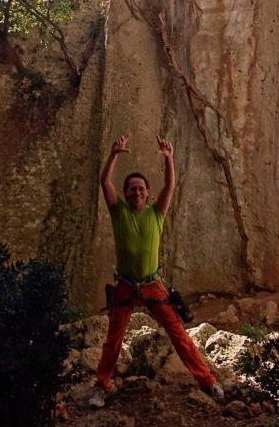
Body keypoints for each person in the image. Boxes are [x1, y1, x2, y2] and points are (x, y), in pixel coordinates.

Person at [89, 133, 224, 408]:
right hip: (126, 285)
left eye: (141, 189)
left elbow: (170, 186)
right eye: (132, 189)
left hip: (152, 285)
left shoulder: (156, 214)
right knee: (113, 340)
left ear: (148, 194)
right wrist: (114, 154)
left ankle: (208, 381)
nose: (137, 192)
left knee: (179, 335)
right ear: (125, 193)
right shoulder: (119, 213)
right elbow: (104, 182)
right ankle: (101, 386)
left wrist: (169, 159)